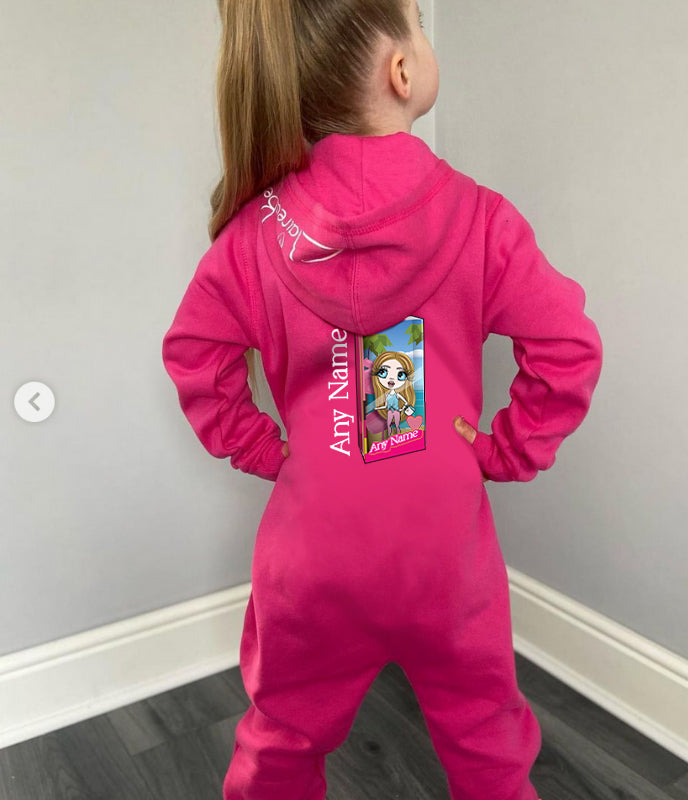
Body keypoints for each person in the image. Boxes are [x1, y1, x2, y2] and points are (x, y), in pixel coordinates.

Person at [161, 0, 603, 798]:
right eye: (419, 26)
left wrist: (264, 450)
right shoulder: (481, 218)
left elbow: (195, 353)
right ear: (402, 70)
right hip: (446, 555)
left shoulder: (256, 234)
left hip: (311, 555)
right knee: (487, 745)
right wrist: (505, 451)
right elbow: (567, 348)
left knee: (281, 743)